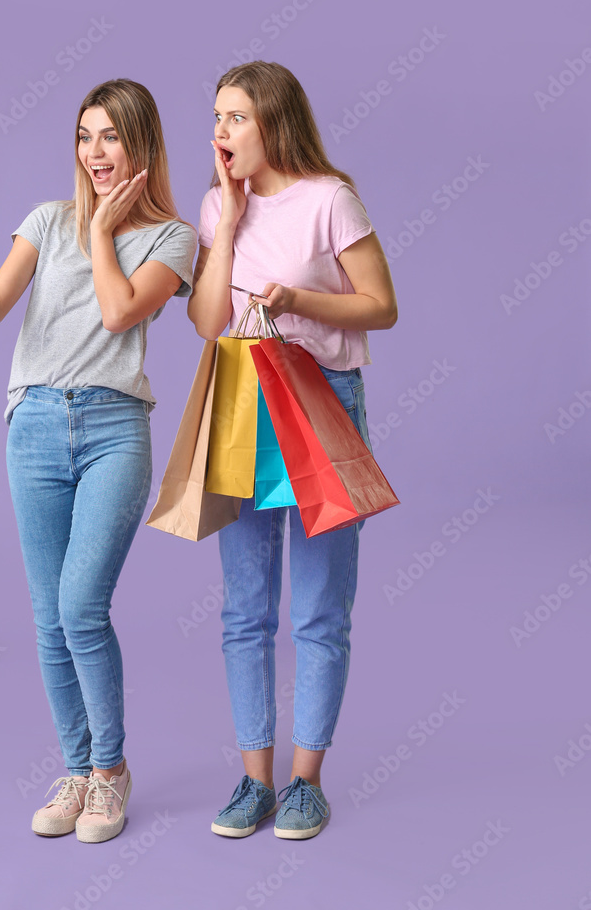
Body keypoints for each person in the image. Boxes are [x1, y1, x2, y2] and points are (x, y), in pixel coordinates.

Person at [0, 79, 196, 843]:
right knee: (49, 617)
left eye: (111, 136)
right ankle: (77, 770)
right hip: (36, 426)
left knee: (81, 605)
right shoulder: (47, 222)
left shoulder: (171, 238)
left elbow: (120, 311)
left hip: (116, 425)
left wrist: (104, 232)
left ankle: (110, 773)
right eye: (85, 137)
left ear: (140, 144)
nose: (95, 152)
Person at [187, 61, 398, 840]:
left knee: (317, 608)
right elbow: (208, 321)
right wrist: (231, 222)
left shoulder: (329, 200)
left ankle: (305, 782)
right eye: (215, 117)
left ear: (272, 121)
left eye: (234, 117)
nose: (219, 132)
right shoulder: (218, 205)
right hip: (242, 401)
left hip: (317, 403)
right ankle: (253, 782)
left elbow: (382, 306)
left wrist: (296, 300)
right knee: (244, 609)